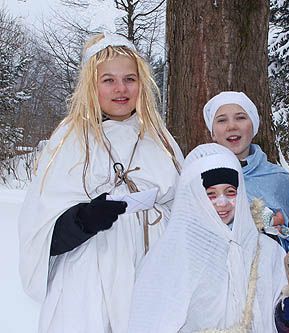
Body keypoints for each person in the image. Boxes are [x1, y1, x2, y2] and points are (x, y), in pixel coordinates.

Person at [18, 32, 183, 333]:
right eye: (108, 80)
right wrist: (83, 220)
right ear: (91, 86)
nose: (121, 89)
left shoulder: (160, 140)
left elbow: (186, 210)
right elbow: (41, 235)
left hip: (153, 275)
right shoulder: (69, 140)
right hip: (87, 283)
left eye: (130, 79)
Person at [127, 143, 288, 332]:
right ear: (194, 196)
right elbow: (151, 322)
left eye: (230, 192)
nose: (223, 203)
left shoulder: (267, 250)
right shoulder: (170, 258)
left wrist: (285, 311)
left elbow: (280, 304)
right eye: (211, 194)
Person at [203, 91, 289, 251]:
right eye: (222, 120)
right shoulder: (197, 177)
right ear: (212, 132)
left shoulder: (277, 178)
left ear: (253, 126)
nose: (232, 126)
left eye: (240, 118)